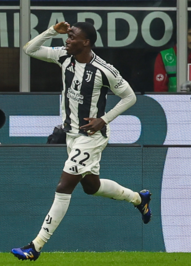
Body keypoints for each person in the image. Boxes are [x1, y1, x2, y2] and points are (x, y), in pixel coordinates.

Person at [11, 21, 152, 261]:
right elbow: (30, 50)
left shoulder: (103, 69)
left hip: (91, 137)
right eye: (67, 35)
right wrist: (52, 31)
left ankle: (35, 247)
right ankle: (139, 199)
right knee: (91, 187)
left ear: (86, 42)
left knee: (64, 186)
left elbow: (129, 96)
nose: (67, 39)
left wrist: (103, 120)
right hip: (71, 135)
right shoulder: (64, 57)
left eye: (72, 36)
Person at [154, 23, 191, 92]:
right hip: (172, 101)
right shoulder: (164, 56)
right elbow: (160, 91)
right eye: (190, 34)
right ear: (180, 35)